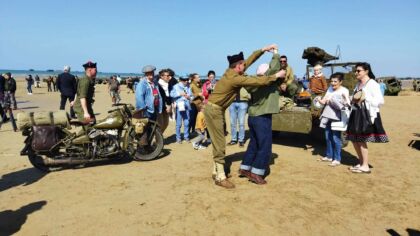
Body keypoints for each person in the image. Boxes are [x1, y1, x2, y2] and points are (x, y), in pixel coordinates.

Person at [204, 44, 285, 189]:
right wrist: (276, 76)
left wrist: (263, 50)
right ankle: (220, 177)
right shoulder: (235, 78)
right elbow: (259, 81)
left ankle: (216, 170)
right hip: (214, 110)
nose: (245, 64)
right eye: (242, 64)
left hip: (215, 109)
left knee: (218, 141)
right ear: (238, 66)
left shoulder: (232, 70)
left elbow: (251, 59)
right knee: (220, 143)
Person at [239, 50, 285, 185]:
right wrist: (276, 54)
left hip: (253, 116)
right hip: (262, 117)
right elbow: (275, 68)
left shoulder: (252, 82)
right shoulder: (267, 81)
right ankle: (256, 172)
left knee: (254, 143)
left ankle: (245, 168)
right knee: (265, 146)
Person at [346, 62, 389, 173]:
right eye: (355, 71)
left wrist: (365, 99)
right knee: (354, 139)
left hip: (366, 114)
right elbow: (356, 98)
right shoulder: (358, 84)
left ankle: (365, 166)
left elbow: (380, 100)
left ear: (366, 71)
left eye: (358, 71)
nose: (356, 72)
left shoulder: (372, 84)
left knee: (361, 140)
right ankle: (361, 163)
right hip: (356, 113)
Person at [318, 72, 351, 167]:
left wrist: (343, 101)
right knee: (327, 136)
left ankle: (337, 159)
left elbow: (347, 105)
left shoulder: (344, 91)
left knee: (336, 138)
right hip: (328, 115)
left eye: (335, 81)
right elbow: (324, 100)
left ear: (341, 82)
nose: (333, 83)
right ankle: (329, 156)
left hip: (338, 117)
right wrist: (320, 100)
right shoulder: (330, 89)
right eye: (331, 81)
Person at [170, 76, 192, 143]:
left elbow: (192, 96)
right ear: (180, 80)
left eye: (187, 79)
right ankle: (178, 138)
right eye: (184, 80)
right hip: (179, 106)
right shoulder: (176, 86)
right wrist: (180, 94)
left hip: (187, 106)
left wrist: (189, 97)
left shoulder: (188, 86)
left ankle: (186, 137)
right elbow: (171, 94)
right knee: (178, 124)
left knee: (187, 122)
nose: (186, 81)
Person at [156, 69, 172, 133]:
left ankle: (159, 136)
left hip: (166, 107)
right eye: (167, 76)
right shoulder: (158, 85)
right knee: (160, 124)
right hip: (159, 107)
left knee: (166, 123)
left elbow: (169, 96)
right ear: (161, 76)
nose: (169, 77)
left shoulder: (168, 85)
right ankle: (158, 138)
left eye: (169, 75)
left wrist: (169, 105)